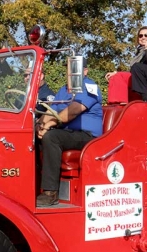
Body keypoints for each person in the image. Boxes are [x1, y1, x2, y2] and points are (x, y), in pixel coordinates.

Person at [36, 67, 103, 206]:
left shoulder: (89, 86)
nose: (70, 72)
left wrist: (48, 126)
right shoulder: (64, 89)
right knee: (29, 135)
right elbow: (51, 110)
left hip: (88, 136)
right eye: (69, 68)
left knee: (52, 137)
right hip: (68, 133)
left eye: (76, 68)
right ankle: (33, 184)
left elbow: (72, 112)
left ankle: (50, 193)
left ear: (85, 71)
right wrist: (40, 126)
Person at [105, 26, 147, 104]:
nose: (143, 37)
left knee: (136, 66)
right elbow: (133, 70)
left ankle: (145, 98)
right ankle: (117, 103)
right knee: (116, 76)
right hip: (140, 75)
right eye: (141, 36)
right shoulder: (139, 51)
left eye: (146, 35)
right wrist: (117, 73)